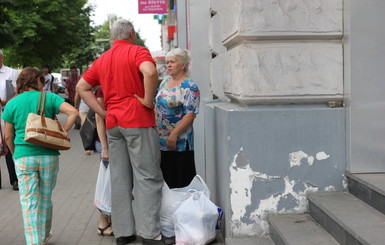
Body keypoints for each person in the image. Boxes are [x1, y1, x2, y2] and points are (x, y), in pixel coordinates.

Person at [77, 19, 165, 245]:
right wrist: (147, 100)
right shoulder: (138, 51)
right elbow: (150, 72)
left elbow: (81, 88)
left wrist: (103, 112)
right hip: (137, 120)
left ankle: (124, 233)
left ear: (113, 37)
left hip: (113, 124)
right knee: (147, 176)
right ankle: (150, 234)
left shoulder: (102, 59)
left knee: (119, 177)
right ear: (132, 34)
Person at [2, 67, 78, 245]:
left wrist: (14, 153)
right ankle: (43, 235)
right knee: (45, 197)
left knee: (29, 200)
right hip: (48, 155)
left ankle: (34, 241)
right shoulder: (49, 97)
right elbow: (73, 112)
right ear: (38, 81)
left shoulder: (12, 103)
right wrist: (62, 133)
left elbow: (7, 136)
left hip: (23, 155)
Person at [155, 48, 200, 189]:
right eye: (167, 62)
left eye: (172, 62)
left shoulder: (190, 86)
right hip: (161, 140)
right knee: (165, 181)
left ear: (182, 65)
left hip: (179, 143)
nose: (168, 65)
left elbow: (191, 114)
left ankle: (183, 210)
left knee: (180, 182)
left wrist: (174, 135)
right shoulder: (164, 83)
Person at [94, 87, 114, 236]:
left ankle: (107, 221)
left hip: (112, 141)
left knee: (110, 183)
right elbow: (99, 117)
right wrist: (105, 147)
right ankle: (103, 222)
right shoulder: (102, 90)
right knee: (108, 185)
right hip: (106, 142)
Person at [0, 49, 19, 190]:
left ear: (2, 58)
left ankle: (15, 179)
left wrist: (6, 101)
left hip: (7, 112)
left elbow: (18, 93)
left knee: (9, 142)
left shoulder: (11, 72)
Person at [65, 65, 81, 129]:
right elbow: (66, 87)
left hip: (79, 98)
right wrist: (66, 91)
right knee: (73, 111)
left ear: (76, 71)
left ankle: (78, 124)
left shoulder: (79, 78)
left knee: (79, 110)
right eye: (72, 71)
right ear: (71, 71)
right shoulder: (69, 79)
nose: (73, 73)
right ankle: (75, 123)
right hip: (71, 98)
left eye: (74, 71)